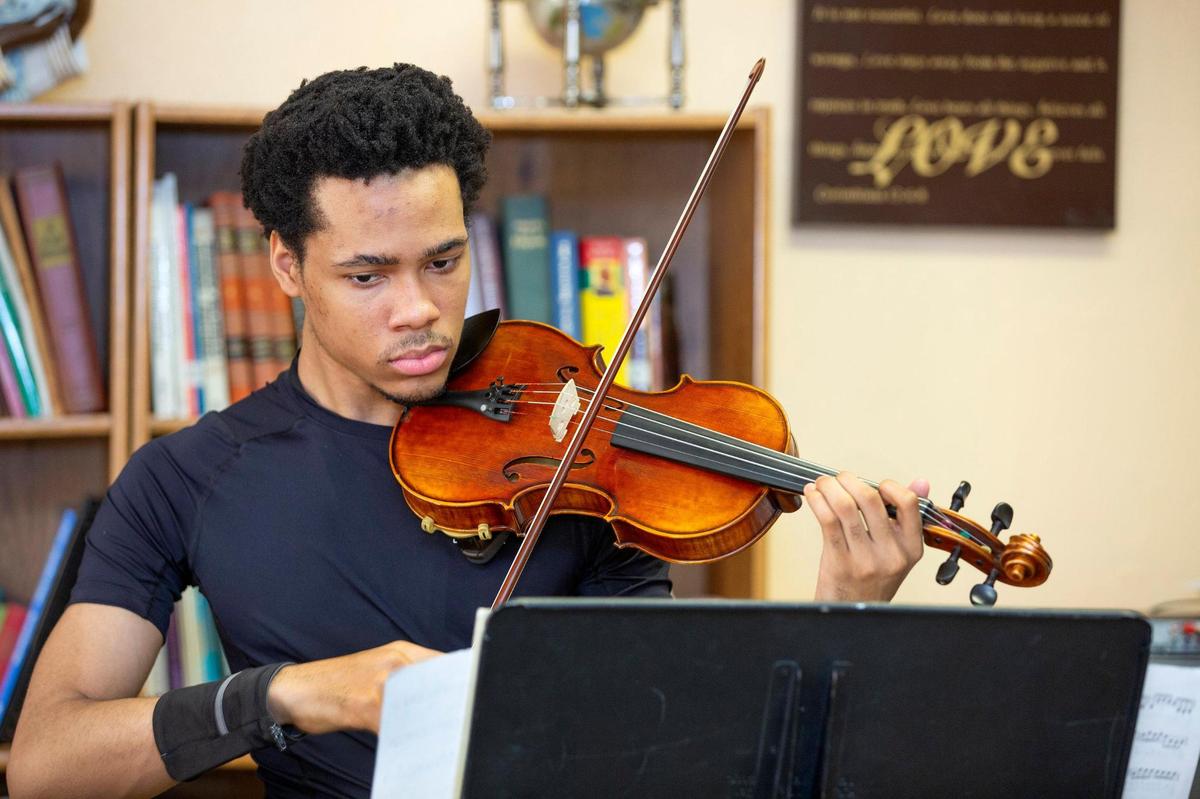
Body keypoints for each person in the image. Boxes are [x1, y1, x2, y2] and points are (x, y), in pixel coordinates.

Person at [7, 64, 927, 798]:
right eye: (368, 276)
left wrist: (845, 607)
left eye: (443, 261)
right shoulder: (186, 477)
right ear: (287, 265)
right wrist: (293, 692)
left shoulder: (576, 457)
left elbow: (678, 742)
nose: (421, 311)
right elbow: (47, 761)